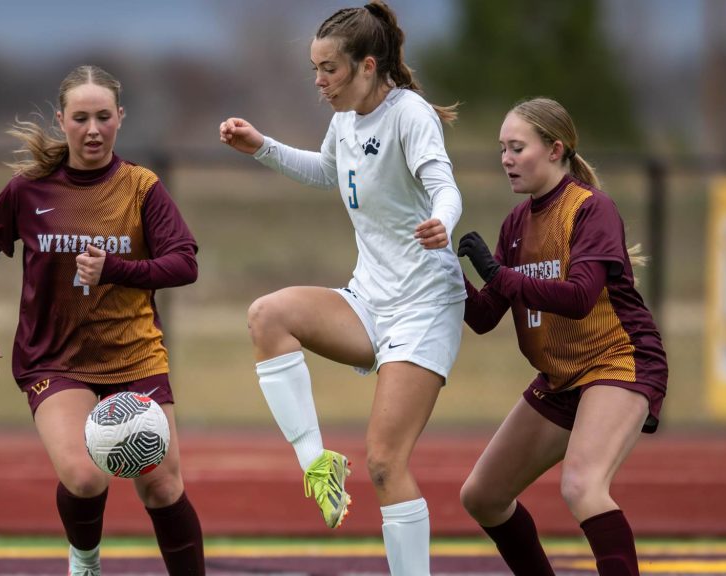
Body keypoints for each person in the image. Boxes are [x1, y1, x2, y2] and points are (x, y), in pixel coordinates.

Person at [219, 2, 465, 573]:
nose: (319, 81)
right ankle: (317, 464)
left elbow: (444, 187)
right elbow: (327, 171)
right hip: (369, 300)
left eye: (329, 68)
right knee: (267, 316)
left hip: (424, 306)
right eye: (315, 69)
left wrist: (442, 223)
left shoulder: (410, 116)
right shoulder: (345, 121)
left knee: (383, 463)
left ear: (367, 66)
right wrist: (262, 146)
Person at [0, 65, 204, 576]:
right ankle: (85, 561)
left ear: (120, 119)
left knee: (161, 485)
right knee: (87, 478)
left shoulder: (141, 188)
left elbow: (184, 262)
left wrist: (115, 268)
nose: (93, 129)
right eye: (81, 118)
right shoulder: (29, 189)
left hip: (134, 355)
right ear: (62, 120)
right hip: (55, 357)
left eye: (104, 117)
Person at [456, 97, 668, 576]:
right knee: (483, 496)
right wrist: (446, 272)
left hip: (619, 360)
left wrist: (495, 272)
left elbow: (578, 297)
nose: (506, 159)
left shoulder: (592, 210)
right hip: (560, 376)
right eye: (502, 149)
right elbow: (486, 316)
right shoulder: (515, 224)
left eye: (517, 147)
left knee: (582, 486)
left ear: (555, 150)